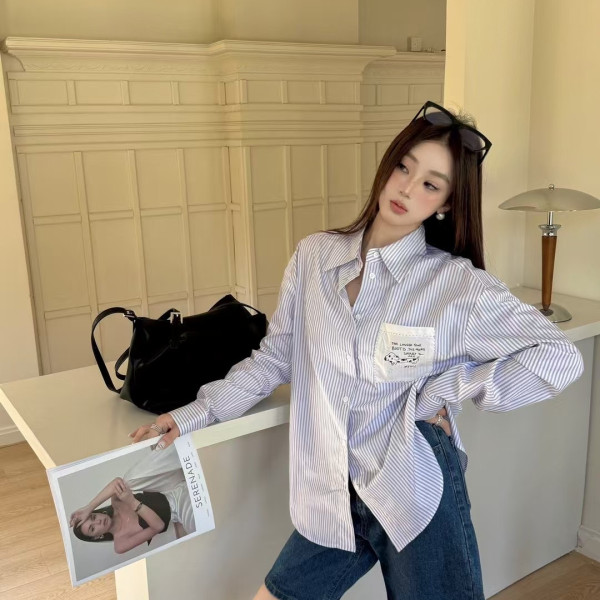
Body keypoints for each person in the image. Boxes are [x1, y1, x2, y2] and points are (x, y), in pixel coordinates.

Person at [131, 100, 584, 599]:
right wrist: (195, 414)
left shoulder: (456, 285)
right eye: (404, 168)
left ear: (447, 203)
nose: (407, 189)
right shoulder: (314, 257)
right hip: (331, 493)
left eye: (431, 184)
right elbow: (274, 359)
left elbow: (558, 356)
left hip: (412, 485)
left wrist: (445, 389)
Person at [70, 442, 194, 553]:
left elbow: (116, 482)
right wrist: (131, 502)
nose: (98, 521)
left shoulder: (116, 504)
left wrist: (88, 508)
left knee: (127, 481)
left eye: (93, 517)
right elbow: (158, 526)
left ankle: (183, 447)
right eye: (92, 528)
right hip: (181, 511)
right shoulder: (120, 544)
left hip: (171, 489)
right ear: (97, 537)